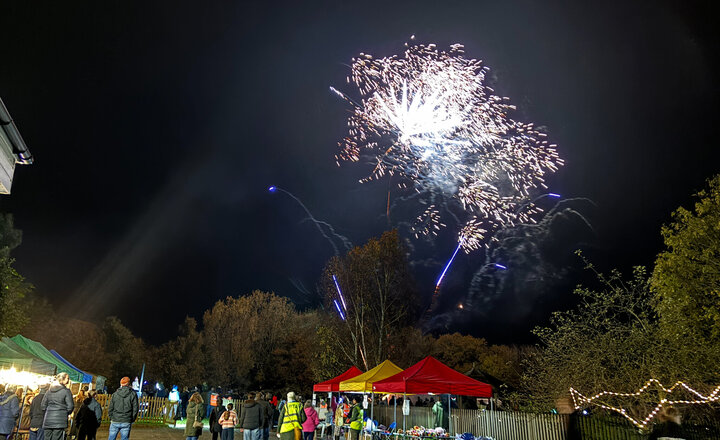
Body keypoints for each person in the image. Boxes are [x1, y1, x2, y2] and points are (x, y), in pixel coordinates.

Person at [41, 373, 74, 440]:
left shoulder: (48, 391)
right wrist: (64, 413)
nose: (68, 380)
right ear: (63, 379)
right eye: (67, 378)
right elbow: (70, 406)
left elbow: (43, 406)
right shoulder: (66, 391)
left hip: (48, 419)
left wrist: (49, 412)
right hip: (60, 421)